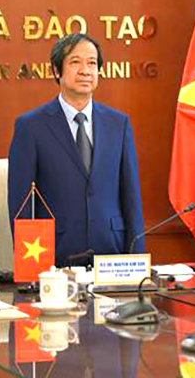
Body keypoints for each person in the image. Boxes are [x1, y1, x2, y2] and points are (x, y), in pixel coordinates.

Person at [8, 33, 145, 265]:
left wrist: (137, 262)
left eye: (92, 63)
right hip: (56, 259)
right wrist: (33, 268)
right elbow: (21, 204)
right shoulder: (31, 126)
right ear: (56, 71)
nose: (85, 70)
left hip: (112, 257)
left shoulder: (118, 124)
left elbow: (131, 197)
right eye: (75, 62)